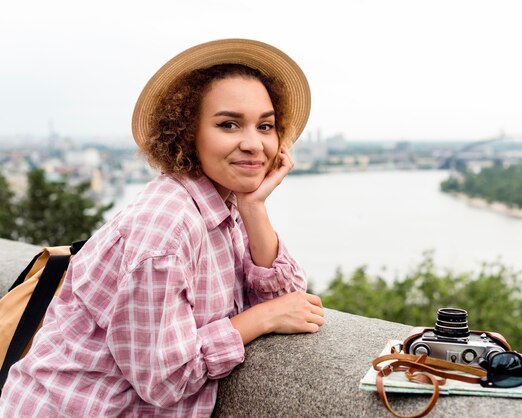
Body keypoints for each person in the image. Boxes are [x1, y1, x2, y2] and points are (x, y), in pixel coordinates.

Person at [0, 39, 324, 416]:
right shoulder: (166, 226)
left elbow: (288, 300)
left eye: (265, 126)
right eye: (229, 124)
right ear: (188, 132)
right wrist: (262, 319)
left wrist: (254, 208)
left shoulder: (222, 203)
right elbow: (165, 378)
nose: (254, 143)